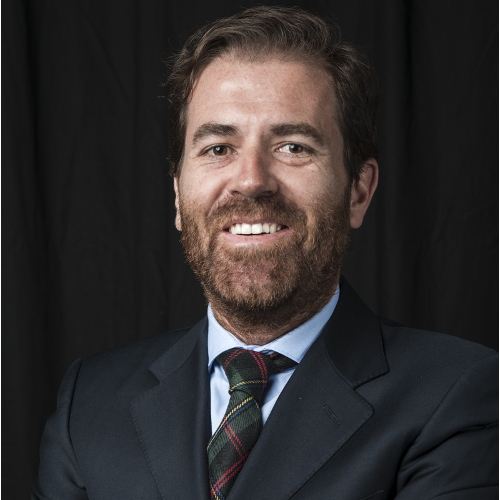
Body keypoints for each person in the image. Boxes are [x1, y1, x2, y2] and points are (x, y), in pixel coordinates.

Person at [32, 6, 498, 500]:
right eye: (218, 148)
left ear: (358, 191)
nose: (252, 180)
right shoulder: (90, 402)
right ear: (178, 195)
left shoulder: (456, 395)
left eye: (293, 147)